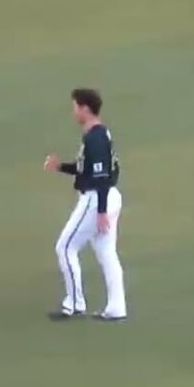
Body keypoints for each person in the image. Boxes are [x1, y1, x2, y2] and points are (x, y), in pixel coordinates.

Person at [44, 88, 126, 322]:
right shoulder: (99, 134)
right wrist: (61, 167)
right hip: (108, 195)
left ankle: (74, 303)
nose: (73, 112)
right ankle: (117, 307)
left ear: (85, 109)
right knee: (106, 252)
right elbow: (87, 169)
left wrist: (100, 211)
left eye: (75, 107)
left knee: (65, 247)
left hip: (97, 198)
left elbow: (100, 175)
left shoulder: (95, 138)